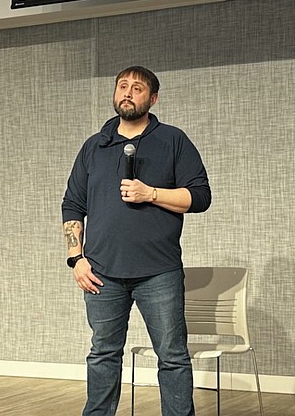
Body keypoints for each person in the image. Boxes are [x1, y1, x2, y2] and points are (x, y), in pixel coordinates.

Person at [62, 66, 211, 416]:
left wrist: (152, 193)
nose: (128, 92)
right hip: (101, 272)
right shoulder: (94, 146)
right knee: (102, 353)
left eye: (138, 88)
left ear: (153, 98)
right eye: (123, 86)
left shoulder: (173, 140)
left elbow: (201, 197)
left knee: (172, 356)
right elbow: (73, 203)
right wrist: (75, 258)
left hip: (158, 272)